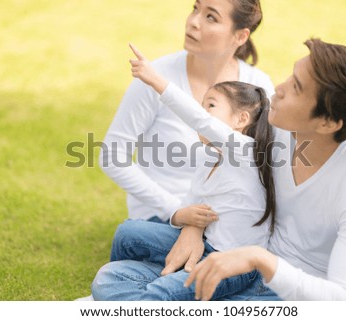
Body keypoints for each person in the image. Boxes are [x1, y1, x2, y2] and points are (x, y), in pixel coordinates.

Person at [178, 38, 346, 300]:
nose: (278, 89)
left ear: (327, 123)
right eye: (291, 77)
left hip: (315, 253)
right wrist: (193, 225)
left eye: (296, 88)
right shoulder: (268, 122)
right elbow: (216, 171)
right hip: (301, 241)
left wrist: (261, 259)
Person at [91, 41, 278, 300]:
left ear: (240, 120)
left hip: (234, 264)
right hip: (205, 247)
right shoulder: (208, 155)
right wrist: (182, 217)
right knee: (127, 234)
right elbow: (191, 204)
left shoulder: (246, 150)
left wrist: (157, 81)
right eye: (201, 105)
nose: (202, 112)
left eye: (210, 105)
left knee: (158, 292)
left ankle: (160, 292)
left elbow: (196, 119)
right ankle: (165, 285)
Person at [99, 0, 274, 226]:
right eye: (195, 9)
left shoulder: (258, 86)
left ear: (240, 36)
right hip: (160, 216)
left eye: (211, 17)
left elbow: (267, 165)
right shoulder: (155, 77)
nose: (193, 22)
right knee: (132, 236)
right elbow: (112, 156)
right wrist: (176, 210)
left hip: (223, 219)